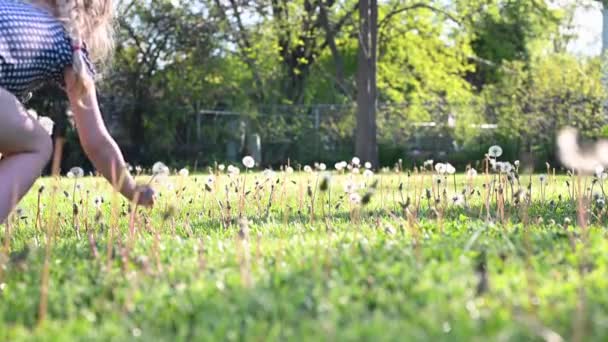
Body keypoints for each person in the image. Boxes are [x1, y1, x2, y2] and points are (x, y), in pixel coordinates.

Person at [0, 0, 155, 223]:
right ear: (93, 17)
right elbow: (96, 143)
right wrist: (131, 189)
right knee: (37, 145)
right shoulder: (70, 43)